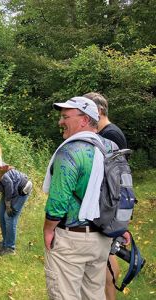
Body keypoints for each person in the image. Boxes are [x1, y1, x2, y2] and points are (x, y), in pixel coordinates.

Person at [42, 96, 130, 300]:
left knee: (65, 294)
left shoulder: (69, 151)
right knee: (94, 294)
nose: (60, 121)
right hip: (101, 238)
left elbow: (58, 202)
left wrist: (48, 229)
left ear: (84, 119)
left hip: (71, 239)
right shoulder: (111, 148)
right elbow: (118, 191)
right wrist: (122, 225)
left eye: (65, 117)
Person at [83, 92, 128, 300]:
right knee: (108, 259)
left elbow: (114, 178)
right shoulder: (108, 132)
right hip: (110, 207)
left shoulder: (111, 135)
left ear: (99, 111)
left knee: (106, 269)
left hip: (110, 207)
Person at [0, 167, 32, 256]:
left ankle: (10, 248)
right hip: (10, 190)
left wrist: (8, 204)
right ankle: (5, 242)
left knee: (9, 216)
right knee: (0, 213)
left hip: (20, 188)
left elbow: (8, 183)